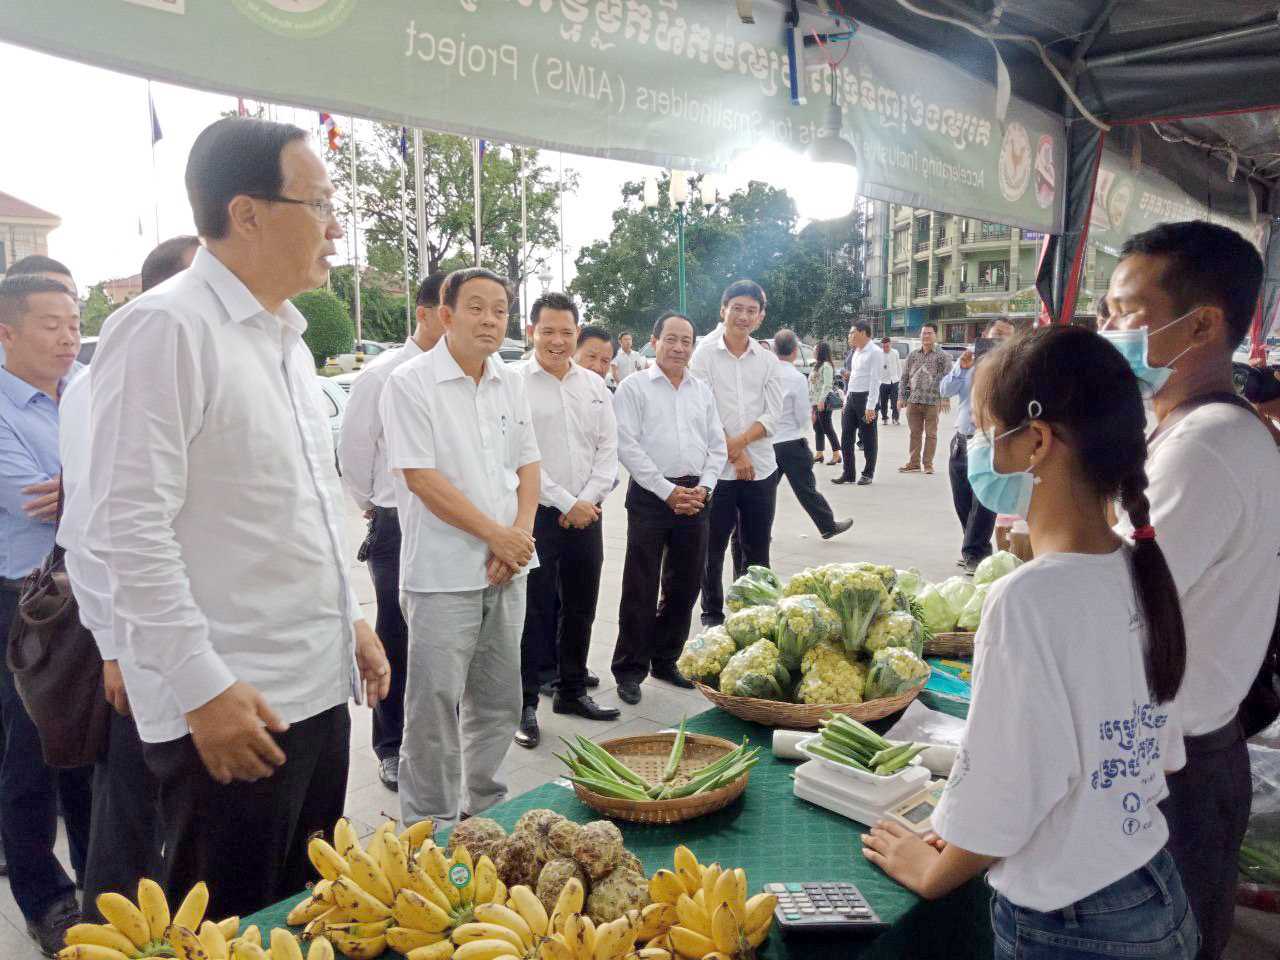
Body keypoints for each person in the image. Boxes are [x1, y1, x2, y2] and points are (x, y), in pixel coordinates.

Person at [86, 117, 390, 919]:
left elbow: (308, 499)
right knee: (222, 921)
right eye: (319, 202)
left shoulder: (286, 338)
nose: (335, 228)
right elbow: (127, 529)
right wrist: (200, 685)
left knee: (300, 911)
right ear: (247, 213)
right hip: (231, 704)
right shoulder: (164, 329)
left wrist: (350, 621)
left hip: (314, 682)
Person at [863, 325, 1199, 960]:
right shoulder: (1139, 568)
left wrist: (935, 868)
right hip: (1153, 889)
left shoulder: (1028, 599)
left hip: (1073, 926)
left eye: (991, 433)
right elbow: (1157, 754)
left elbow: (1005, 796)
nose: (979, 448)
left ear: (1037, 442)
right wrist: (953, 828)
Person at [1099, 220, 1280, 960]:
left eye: (1123, 311)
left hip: (1173, 773)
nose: (1106, 327)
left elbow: (1109, 609)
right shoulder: (1199, 430)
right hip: (1183, 754)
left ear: (1202, 323)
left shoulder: (1205, 445)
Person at [63, 238, 198, 920]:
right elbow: (94, 532)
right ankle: (106, 934)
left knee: (161, 807)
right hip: (135, 640)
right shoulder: (106, 382)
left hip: (181, 629)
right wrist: (112, 648)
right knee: (129, 807)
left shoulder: (173, 366)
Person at [381, 267, 540, 832]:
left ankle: (487, 806)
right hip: (443, 572)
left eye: (499, 308)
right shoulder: (410, 382)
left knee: (498, 699)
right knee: (433, 706)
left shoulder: (510, 380)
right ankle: (430, 822)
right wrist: (494, 535)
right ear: (445, 316)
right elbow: (421, 478)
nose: (489, 319)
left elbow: (527, 464)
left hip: (508, 567)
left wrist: (517, 536)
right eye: (476, 307)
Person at [0, 274, 93, 953]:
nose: (68, 337)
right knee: (30, 757)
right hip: (27, 604)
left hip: (94, 590)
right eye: (51, 324)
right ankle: (45, 896)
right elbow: (29, 496)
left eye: (73, 322)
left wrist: (84, 485)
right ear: (7, 331)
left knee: (93, 746)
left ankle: (105, 878)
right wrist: (102, 483)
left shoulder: (87, 393)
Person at [338, 271, 448, 791]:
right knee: (397, 639)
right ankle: (390, 745)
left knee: (444, 638)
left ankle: (439, 742)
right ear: (425, 313)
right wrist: (377, 507)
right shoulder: (383, 374)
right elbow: (354, 456)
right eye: (453, 310)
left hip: (452, 520)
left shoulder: (468, 372)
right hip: (398, 522)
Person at [514, 293, 620, 749]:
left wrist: (588, 500)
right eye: (548, 331)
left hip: (588, 513)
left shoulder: (594, 386)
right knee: (533, 611)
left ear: (577, 333)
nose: (557, 341)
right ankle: (525, 704)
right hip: (534, 512)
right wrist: (564, 501)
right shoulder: (512, 383)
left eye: (566, 332)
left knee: (581, 604)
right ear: (531, 331)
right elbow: (518, 455)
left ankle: (572, 690)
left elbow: (607, 450)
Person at [611, 312, 726, 705]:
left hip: (697, 495)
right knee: (640, 586)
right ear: (654, 341)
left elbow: (717, 446)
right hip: (650, 496)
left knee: (686, 583)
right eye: (671, 339)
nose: (679, 348)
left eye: (686, 341)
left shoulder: (701, 390)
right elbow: (627, 446)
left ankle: (666, 658)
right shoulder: (633, 388)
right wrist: (666, 491)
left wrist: (706, 488)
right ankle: (629, 669)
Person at [690, 279, 783, 627]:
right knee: (711, 549)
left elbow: (773, 415)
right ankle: (712, 615)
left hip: (761, 470)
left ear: (760, 316)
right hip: (718, 472)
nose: (743, 316)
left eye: (751, 310)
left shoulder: (767, 360)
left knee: (756, 549)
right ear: (723, 310)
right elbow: (704, 409)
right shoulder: (704, 354)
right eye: (737, 308)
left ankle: (753, 613)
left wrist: (741, 444)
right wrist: (735, 454)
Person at [940, 319, 1016, 573]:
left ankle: (975, 552)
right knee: (963, 500)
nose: (1001, 341)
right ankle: (974, 548)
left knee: (984, 501)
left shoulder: (1015, 369)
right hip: (962, 441)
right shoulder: (968, 364)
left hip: (992, 442)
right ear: (984, 336)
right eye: (997, 336)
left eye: (1007, 337)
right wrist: (961, 369)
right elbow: (945, 390)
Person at [770, 330, 851, 540]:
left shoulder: (766, 374)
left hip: (767, 442)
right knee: (806, 488)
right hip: (790, 441)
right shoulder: (796, 378)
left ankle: (758, 531)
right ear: (795, 351)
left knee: (764, 493)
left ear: (774, 350)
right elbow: (801, 415)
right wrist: (806, 424)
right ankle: (827, 525)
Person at [833, 321, 881, 486]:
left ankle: (868, 473)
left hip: (866, 398)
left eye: (852, 332)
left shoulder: (875, 352)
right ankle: (848, 473)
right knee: (846, 437)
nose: (849, 336)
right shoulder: (856, 352)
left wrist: (871, 406)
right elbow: (853, 378)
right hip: (852, 397)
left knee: (868, 438)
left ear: (862, 332)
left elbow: (875, 381)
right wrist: (846, 400)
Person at [898, 323, 950, 474]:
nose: (926, 336)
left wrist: (945, 398)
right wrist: (901, 397)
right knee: (914, 433)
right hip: (913, 401)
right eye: (924, 333)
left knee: (931, 434)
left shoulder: (942, 356)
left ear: (935, 335)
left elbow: (948, 379)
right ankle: (914, 463)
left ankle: (928, 464)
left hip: (933, 401)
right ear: (920, 336)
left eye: (929, 333)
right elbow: (904, 377)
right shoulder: (913, 355)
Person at [809, 340, 841, 466]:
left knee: (827, 427)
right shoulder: (816, 365)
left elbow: (827, 385)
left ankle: (836, 454)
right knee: (817, 428)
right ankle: (819, 453)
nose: (813, 352)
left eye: (815, 350)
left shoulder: (826, 366)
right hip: (815, 401)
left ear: (820, 351)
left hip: (823, 402)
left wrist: (821, 400)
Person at [878, 337, 902, 425]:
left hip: (894, 380)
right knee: (883, 402)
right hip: (883, 381)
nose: (885, 348)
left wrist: (899, 380)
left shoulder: (895, 352)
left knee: (895, 401)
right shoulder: (879, 354)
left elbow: (898, 366)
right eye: (884, 347)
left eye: (887, 346)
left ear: (890, 345)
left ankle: (895, 418)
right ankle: (884, 418)